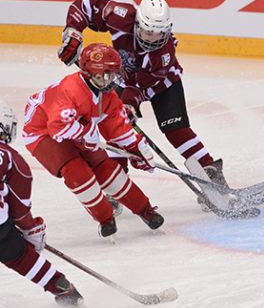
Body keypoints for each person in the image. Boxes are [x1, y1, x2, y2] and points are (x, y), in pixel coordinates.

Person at [57, 0, 227, 205]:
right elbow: (84, 6)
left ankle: (210, 171)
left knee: (176, 130)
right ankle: (116, 184)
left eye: (159, 33)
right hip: (122, 79)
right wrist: (73, 32)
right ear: (137, 23)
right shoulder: (120, 15)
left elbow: (140, 88)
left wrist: (129, 106)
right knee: (117, 131)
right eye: (148, 31)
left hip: (163, 84)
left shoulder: (162, 55)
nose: (153, 37)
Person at [23, 43, 164, 238]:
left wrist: (137, 148)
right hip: (42, 131)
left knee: (105, 166)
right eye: (109, 73)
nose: (114, 78)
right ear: (94, 74)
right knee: (76, 171)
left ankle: (145, 210)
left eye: (115, 73)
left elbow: (117, 127)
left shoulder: (107, 94)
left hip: (77, 126)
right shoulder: (71, 90)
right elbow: (57, 126)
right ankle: (106, 218)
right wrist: (84, 134)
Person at [0, 100, 86, 308]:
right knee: (19, 255)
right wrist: (32, 229)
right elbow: (19, 210)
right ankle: (60, 287)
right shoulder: (12, 158)